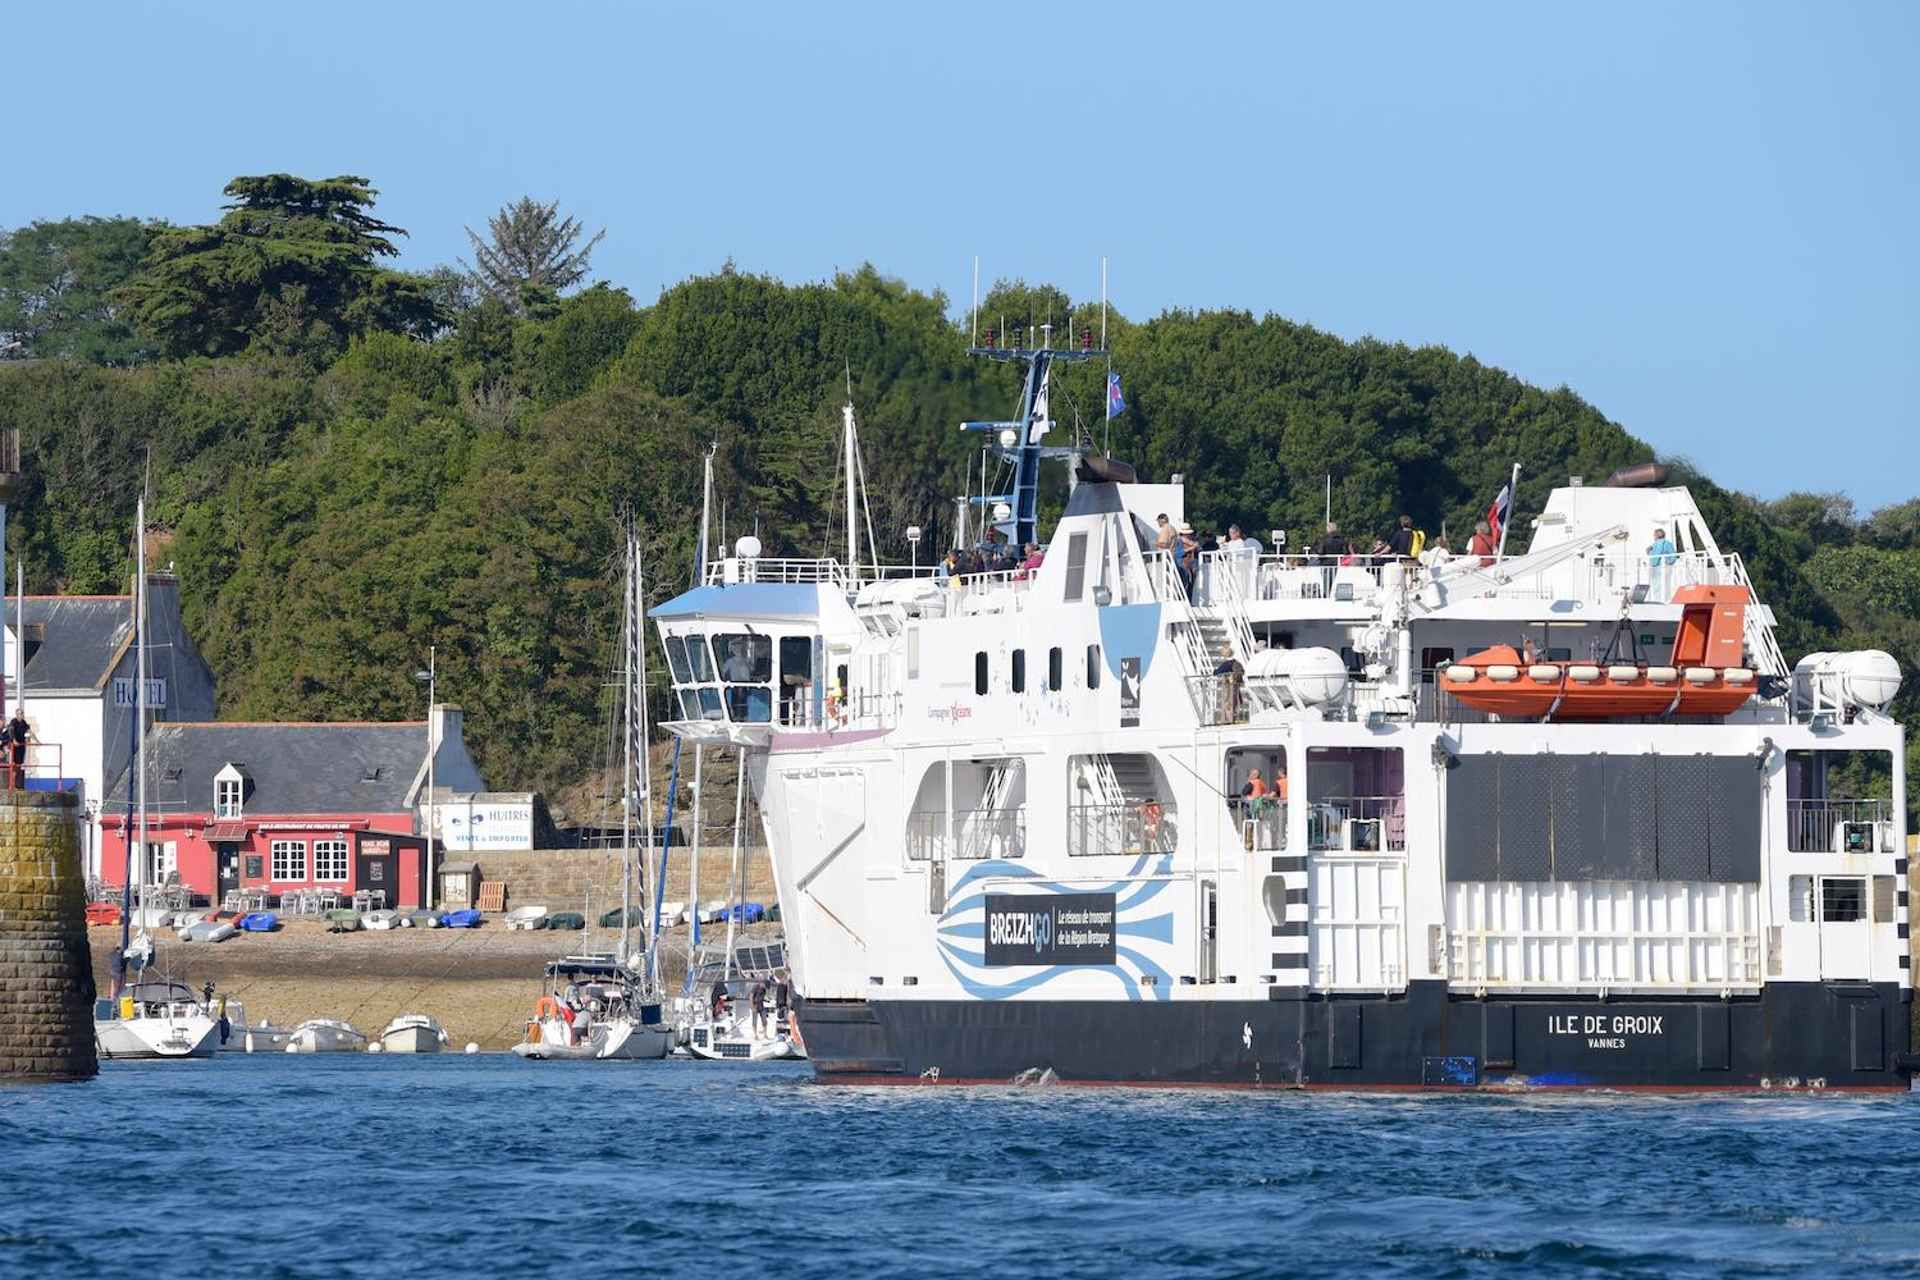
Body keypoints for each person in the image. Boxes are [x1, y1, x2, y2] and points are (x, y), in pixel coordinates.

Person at [1213, 644, 1244, 722]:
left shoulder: (1227, 664)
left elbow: (1217, 672)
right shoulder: (1237, 663)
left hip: (1229, 685)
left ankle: (1228, 719)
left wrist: (1215, 671)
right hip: (1236, 686)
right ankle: (1234, 718)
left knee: (1228, 702)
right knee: (1235, 702)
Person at [1647, 526, 1677, 601]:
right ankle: (1665, 599)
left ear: (1656, 535)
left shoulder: (1655, 544)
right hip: (1665, 568)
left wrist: (1649, 551)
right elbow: (1673, 556)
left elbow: (1652, 556)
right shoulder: (1668, 543)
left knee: (1657, 586)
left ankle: (1658, 600)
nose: (1654, 536)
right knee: (1665, 585)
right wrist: (1668, 562)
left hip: (1657, 568)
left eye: (1654, 535)